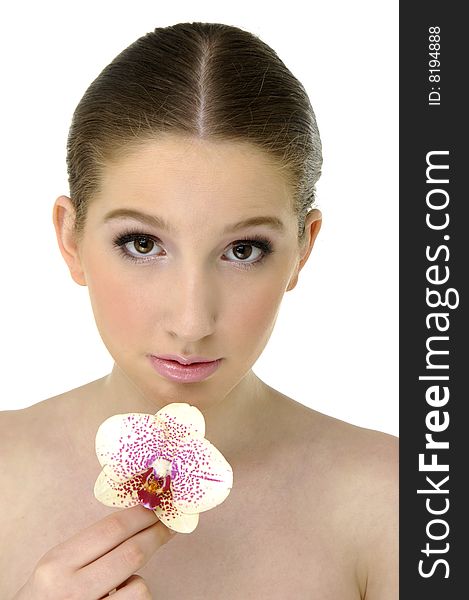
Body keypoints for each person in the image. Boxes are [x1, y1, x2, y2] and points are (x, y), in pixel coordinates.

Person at [0, 22, 398, 599]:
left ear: (302, 250)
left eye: (243, 250)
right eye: (141, 243)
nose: (191, 323)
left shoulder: (398, 499)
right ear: (71, 238)